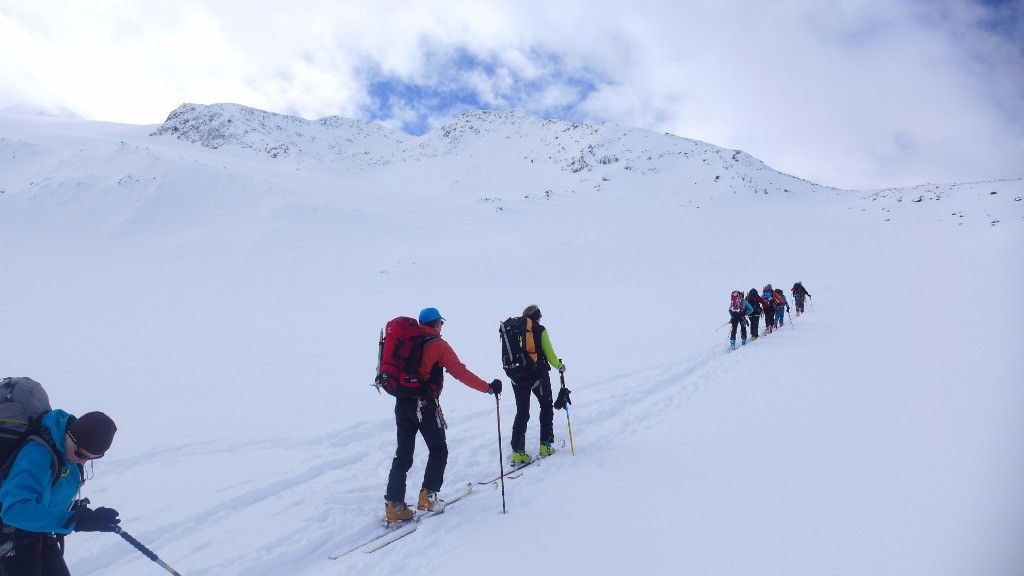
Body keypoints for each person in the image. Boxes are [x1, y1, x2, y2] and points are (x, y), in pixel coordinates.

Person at [384, 307, 501, 524]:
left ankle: (394, 506)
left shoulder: (408, 342)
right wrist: (488, 388)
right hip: (425, 405)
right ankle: (428, 498)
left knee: (403, 455)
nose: (442, 327)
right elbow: (461, 372)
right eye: (441, 323)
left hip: (403, 403)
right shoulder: (438, 345)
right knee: (438, 450)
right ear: (436, 323)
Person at [0, 410, 120, 576]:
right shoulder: (38, 454)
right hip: (10, 536)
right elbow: (15, 510)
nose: (82, 461)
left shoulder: (66, 449)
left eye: (90, 458)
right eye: (80, 454)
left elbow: (45, 496)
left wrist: (85, 516)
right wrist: (76, 521)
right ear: (69, 435)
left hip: (38, 530)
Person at [509, 305, 566, 465]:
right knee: (546, 406)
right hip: (538, 377)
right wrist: (559, 366)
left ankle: (518, 452)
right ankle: (545, 445)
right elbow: (549, 353)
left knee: (522, 413)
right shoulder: (540, 330)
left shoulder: (515, 330)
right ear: (538, 317)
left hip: (517, 377)